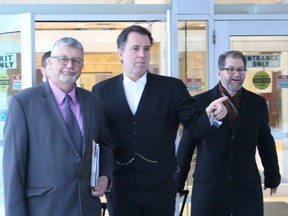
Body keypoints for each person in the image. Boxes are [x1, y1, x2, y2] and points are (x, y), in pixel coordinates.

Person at [92, 25, 228, 216]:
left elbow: (196, 126)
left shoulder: (171, 87)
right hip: (120, 187)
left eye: (146, 49)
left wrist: (212, 117)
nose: (142, 54)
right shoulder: (101, 91)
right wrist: (100, 175)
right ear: (121, 53)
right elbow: (99, 139)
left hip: (160, 187)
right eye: (135, 48)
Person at [3, 37, 113, 216]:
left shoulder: (94, 102)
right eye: (63, 59)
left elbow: (104, 145)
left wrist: (105, 175)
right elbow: (13, 166)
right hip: (44, 208)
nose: (70, 65)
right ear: (50, 63)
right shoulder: (24, 102)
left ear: (82, 67)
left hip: (85, 207)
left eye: (76, 61)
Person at [175, 50, 281, 216]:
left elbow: (266, 143)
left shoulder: (257, 103)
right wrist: (177, 184)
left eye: (240, 70)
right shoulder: (199, 102)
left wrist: (272, 176)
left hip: (246, 187)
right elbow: (186, 147)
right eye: (230, 69)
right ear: (219, 72)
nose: (236, 74)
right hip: (209, 188)